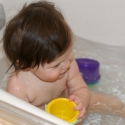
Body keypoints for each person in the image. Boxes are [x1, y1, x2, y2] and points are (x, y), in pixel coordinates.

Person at [3, 0, 125, 124]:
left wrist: (81, 101)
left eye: (68, 55)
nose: (67, 65)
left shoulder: (67, 65)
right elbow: (16, 119)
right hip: (40, 119)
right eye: (56, 65)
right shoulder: (19, 88)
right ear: (25, 65)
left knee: (103, 102)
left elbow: (80, 88)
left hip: (68, 104)